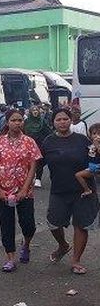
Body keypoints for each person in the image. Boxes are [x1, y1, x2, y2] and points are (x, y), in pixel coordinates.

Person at [42, 108, 99, 275]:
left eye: (65, 119)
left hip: (83, 190)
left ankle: (76, 260)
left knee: (81, 225)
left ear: (70, 120)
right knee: (53, 223)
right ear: (53, 122)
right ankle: (63, 245)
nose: (62, 122)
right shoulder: (48, 142)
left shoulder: (82, 140)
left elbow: (95, 158)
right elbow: (38, 164)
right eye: (58, 119)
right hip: (59, 189)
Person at [0, 109, 41, 272]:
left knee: (28, 224)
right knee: (6, 225)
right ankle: (10, 258)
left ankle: (26, 244)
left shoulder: (29, 142)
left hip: (24, 191)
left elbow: (33, 166)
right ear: (7, 122)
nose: (17, 123)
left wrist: (25, 189)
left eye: (19, 120)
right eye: (13, 120)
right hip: (3, 191)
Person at [24, 105, 53, 188]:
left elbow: (48, 132)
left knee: (39, 162)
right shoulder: (26, 121)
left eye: (36, 110)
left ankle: (38, 179)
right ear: (30, 112)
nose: (35, 112)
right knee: (28, 162)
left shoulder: (42, 121)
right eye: (33, 110)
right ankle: (30, 177)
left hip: (40, 145)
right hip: (28, 145)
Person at [74, 123, 100, 197]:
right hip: (92, 168)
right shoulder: (89, 145)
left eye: (99, 133)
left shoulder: (97, 145)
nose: (96, 136)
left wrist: (97, 145)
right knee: (78, 175)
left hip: (98, 166)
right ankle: (87, 190)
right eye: (94, 133)